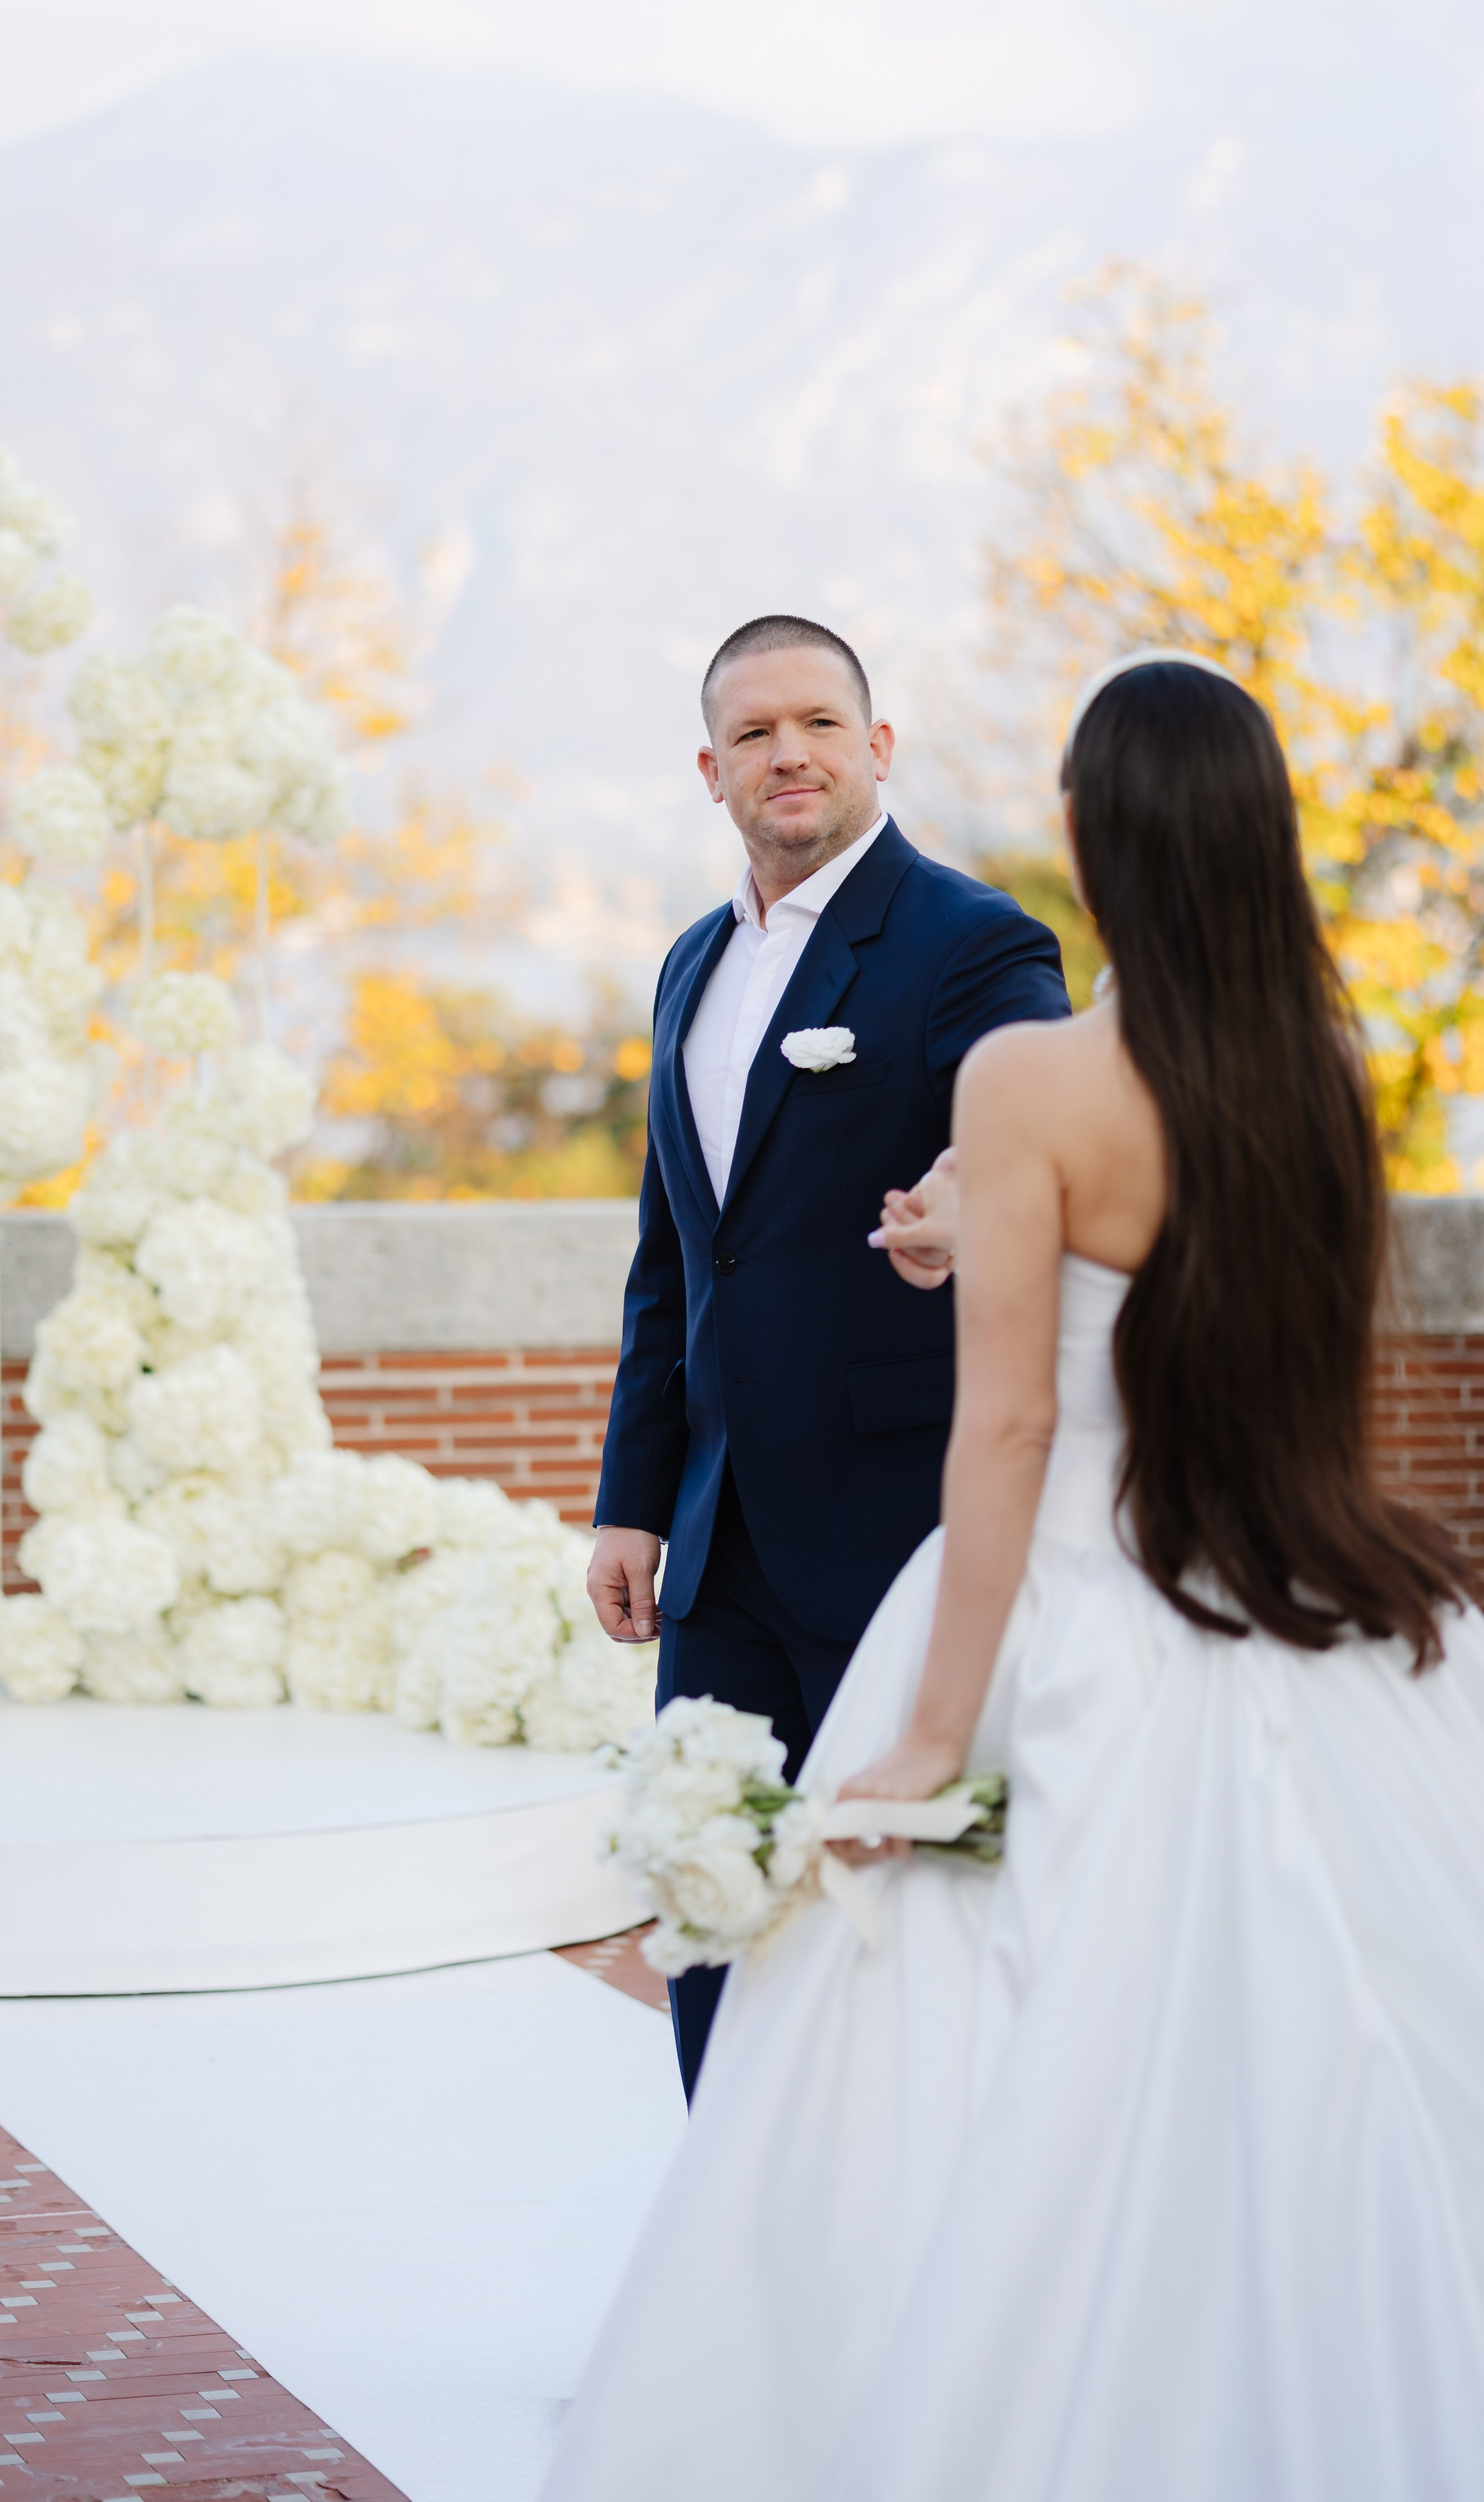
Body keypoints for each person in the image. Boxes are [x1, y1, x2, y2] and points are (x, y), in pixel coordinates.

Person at [545, 654, 1484, 2500]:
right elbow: (1277, 1360)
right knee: (1326, 2038)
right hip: (1288, 1589)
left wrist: (937, 1739)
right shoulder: (1323, 1076)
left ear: (1088, 836)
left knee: (942, 2054)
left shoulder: (1032, 1070)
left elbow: (1011, 1440)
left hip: (1073, 1610)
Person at [586, 614, 1070, 2095]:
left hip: (904, 1540)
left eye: (813, 724)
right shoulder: (686, 968)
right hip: (717, 1547)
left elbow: (1036, 1161)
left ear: (875, 748)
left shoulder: (970, 941)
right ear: (708, 772)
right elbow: (677, 1254)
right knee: (710, 1891)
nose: (783, 753)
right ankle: (728, 2229)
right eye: (750, 734)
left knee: (914, 1904)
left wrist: (958, 1203)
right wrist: (631, 1494)